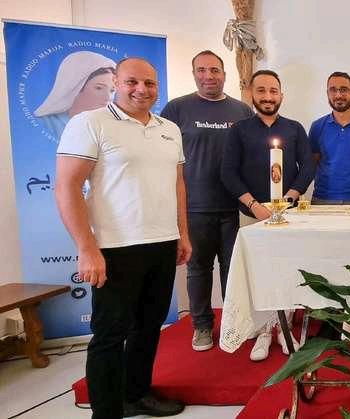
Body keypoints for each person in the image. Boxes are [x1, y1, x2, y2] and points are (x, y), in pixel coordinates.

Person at [55, 57, 190, 418]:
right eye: (132, 82)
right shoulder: (90, 122)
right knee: (110, 335)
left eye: (150, 83)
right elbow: (67, 186)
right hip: (115, 247)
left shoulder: (169, 129)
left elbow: (177, 183)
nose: (141, 90)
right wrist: (86, 248)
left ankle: (137, 394)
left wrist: (182, 233)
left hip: (162, 243)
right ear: (116, 82)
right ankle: (107, 411)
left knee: (149, 327)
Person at [161, 50, 252, 352]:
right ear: (194, 74)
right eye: (202, 70)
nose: (208, 76)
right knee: (198, 269)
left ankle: (233, 323)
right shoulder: (177, 109)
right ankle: (201, 325)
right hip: (194, 206)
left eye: (214, 70)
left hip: (232, 206)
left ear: (224, 74)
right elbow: (163, 157)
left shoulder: (242, 111)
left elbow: (251, 156)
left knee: (232, 269)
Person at [221, 69, 314, 361]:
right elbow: (228, 172)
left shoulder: (294, 128)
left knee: (288, 269)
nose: (268, 97)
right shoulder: (239, 130)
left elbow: (307, 167)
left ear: (281, 95)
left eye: (273, 91)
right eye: (261, 91)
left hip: (289, 214)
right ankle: (263, 330)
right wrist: (254, 206)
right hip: (252, 215)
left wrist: (289, 198)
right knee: (259, 271)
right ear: (252, 94)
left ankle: (284, 328)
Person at [308, 72, 350, 205]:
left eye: (344, 90)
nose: (338, 95)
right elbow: (311, 165)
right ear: (327, 93)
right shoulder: (317, 127)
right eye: (333, 90)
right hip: (322, 200)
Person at [35, 50, 116, 141]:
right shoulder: (45, 124)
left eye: (112, 90)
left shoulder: (108, 127)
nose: (108, 97)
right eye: (99, 88)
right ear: (76, 87)